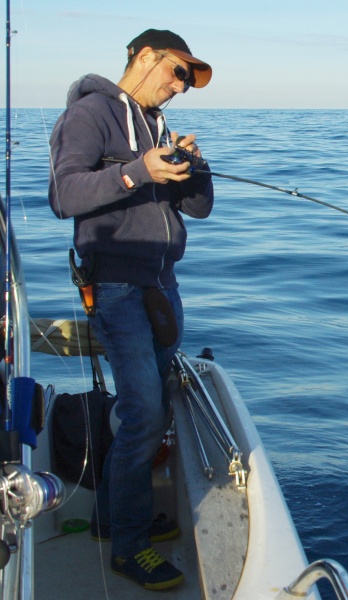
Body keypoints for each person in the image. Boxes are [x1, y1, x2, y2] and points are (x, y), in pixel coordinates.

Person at [48, 29, 213, 591]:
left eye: (187, 82)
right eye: (176, 73)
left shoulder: (156, 125)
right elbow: (64, 195)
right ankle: (129, 546)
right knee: (142, 412)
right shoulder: (90, 114)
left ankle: (115, 517)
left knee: (150, 405)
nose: (180, 87)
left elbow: (198, 209)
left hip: (162, 285)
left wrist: (194, 168)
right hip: (116, 288)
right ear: (145, 57)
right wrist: (138, 170)